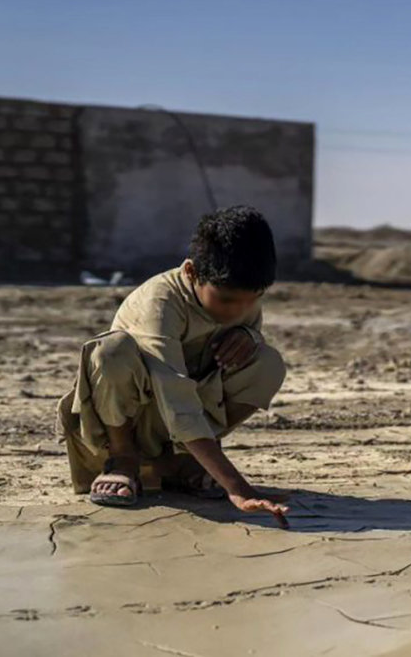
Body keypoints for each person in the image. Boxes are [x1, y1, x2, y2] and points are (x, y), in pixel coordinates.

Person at [59, 205, 289, 526]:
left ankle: (185, 463)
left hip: (181, 425)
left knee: (268, 364)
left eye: (252, 299)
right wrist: (237, 488)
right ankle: (123, 461)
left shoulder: (240, 293)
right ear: (192, 272)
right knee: (111, 351)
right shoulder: (160, 302)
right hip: (132, 419)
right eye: (226, 300)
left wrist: (249, 335)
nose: (239, 310)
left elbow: (230, 359)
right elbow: (174, 393)